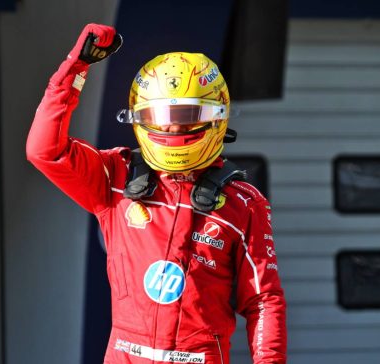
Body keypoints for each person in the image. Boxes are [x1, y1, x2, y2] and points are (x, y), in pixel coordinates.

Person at [26, 23, 287, 364]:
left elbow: (263, 300)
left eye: (188, 116)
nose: (172, 128)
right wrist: (74, 70)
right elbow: (45, 151)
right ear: (139, 118)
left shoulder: (243, 203)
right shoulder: (116, 176)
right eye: (160, 117)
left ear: (216, 117)